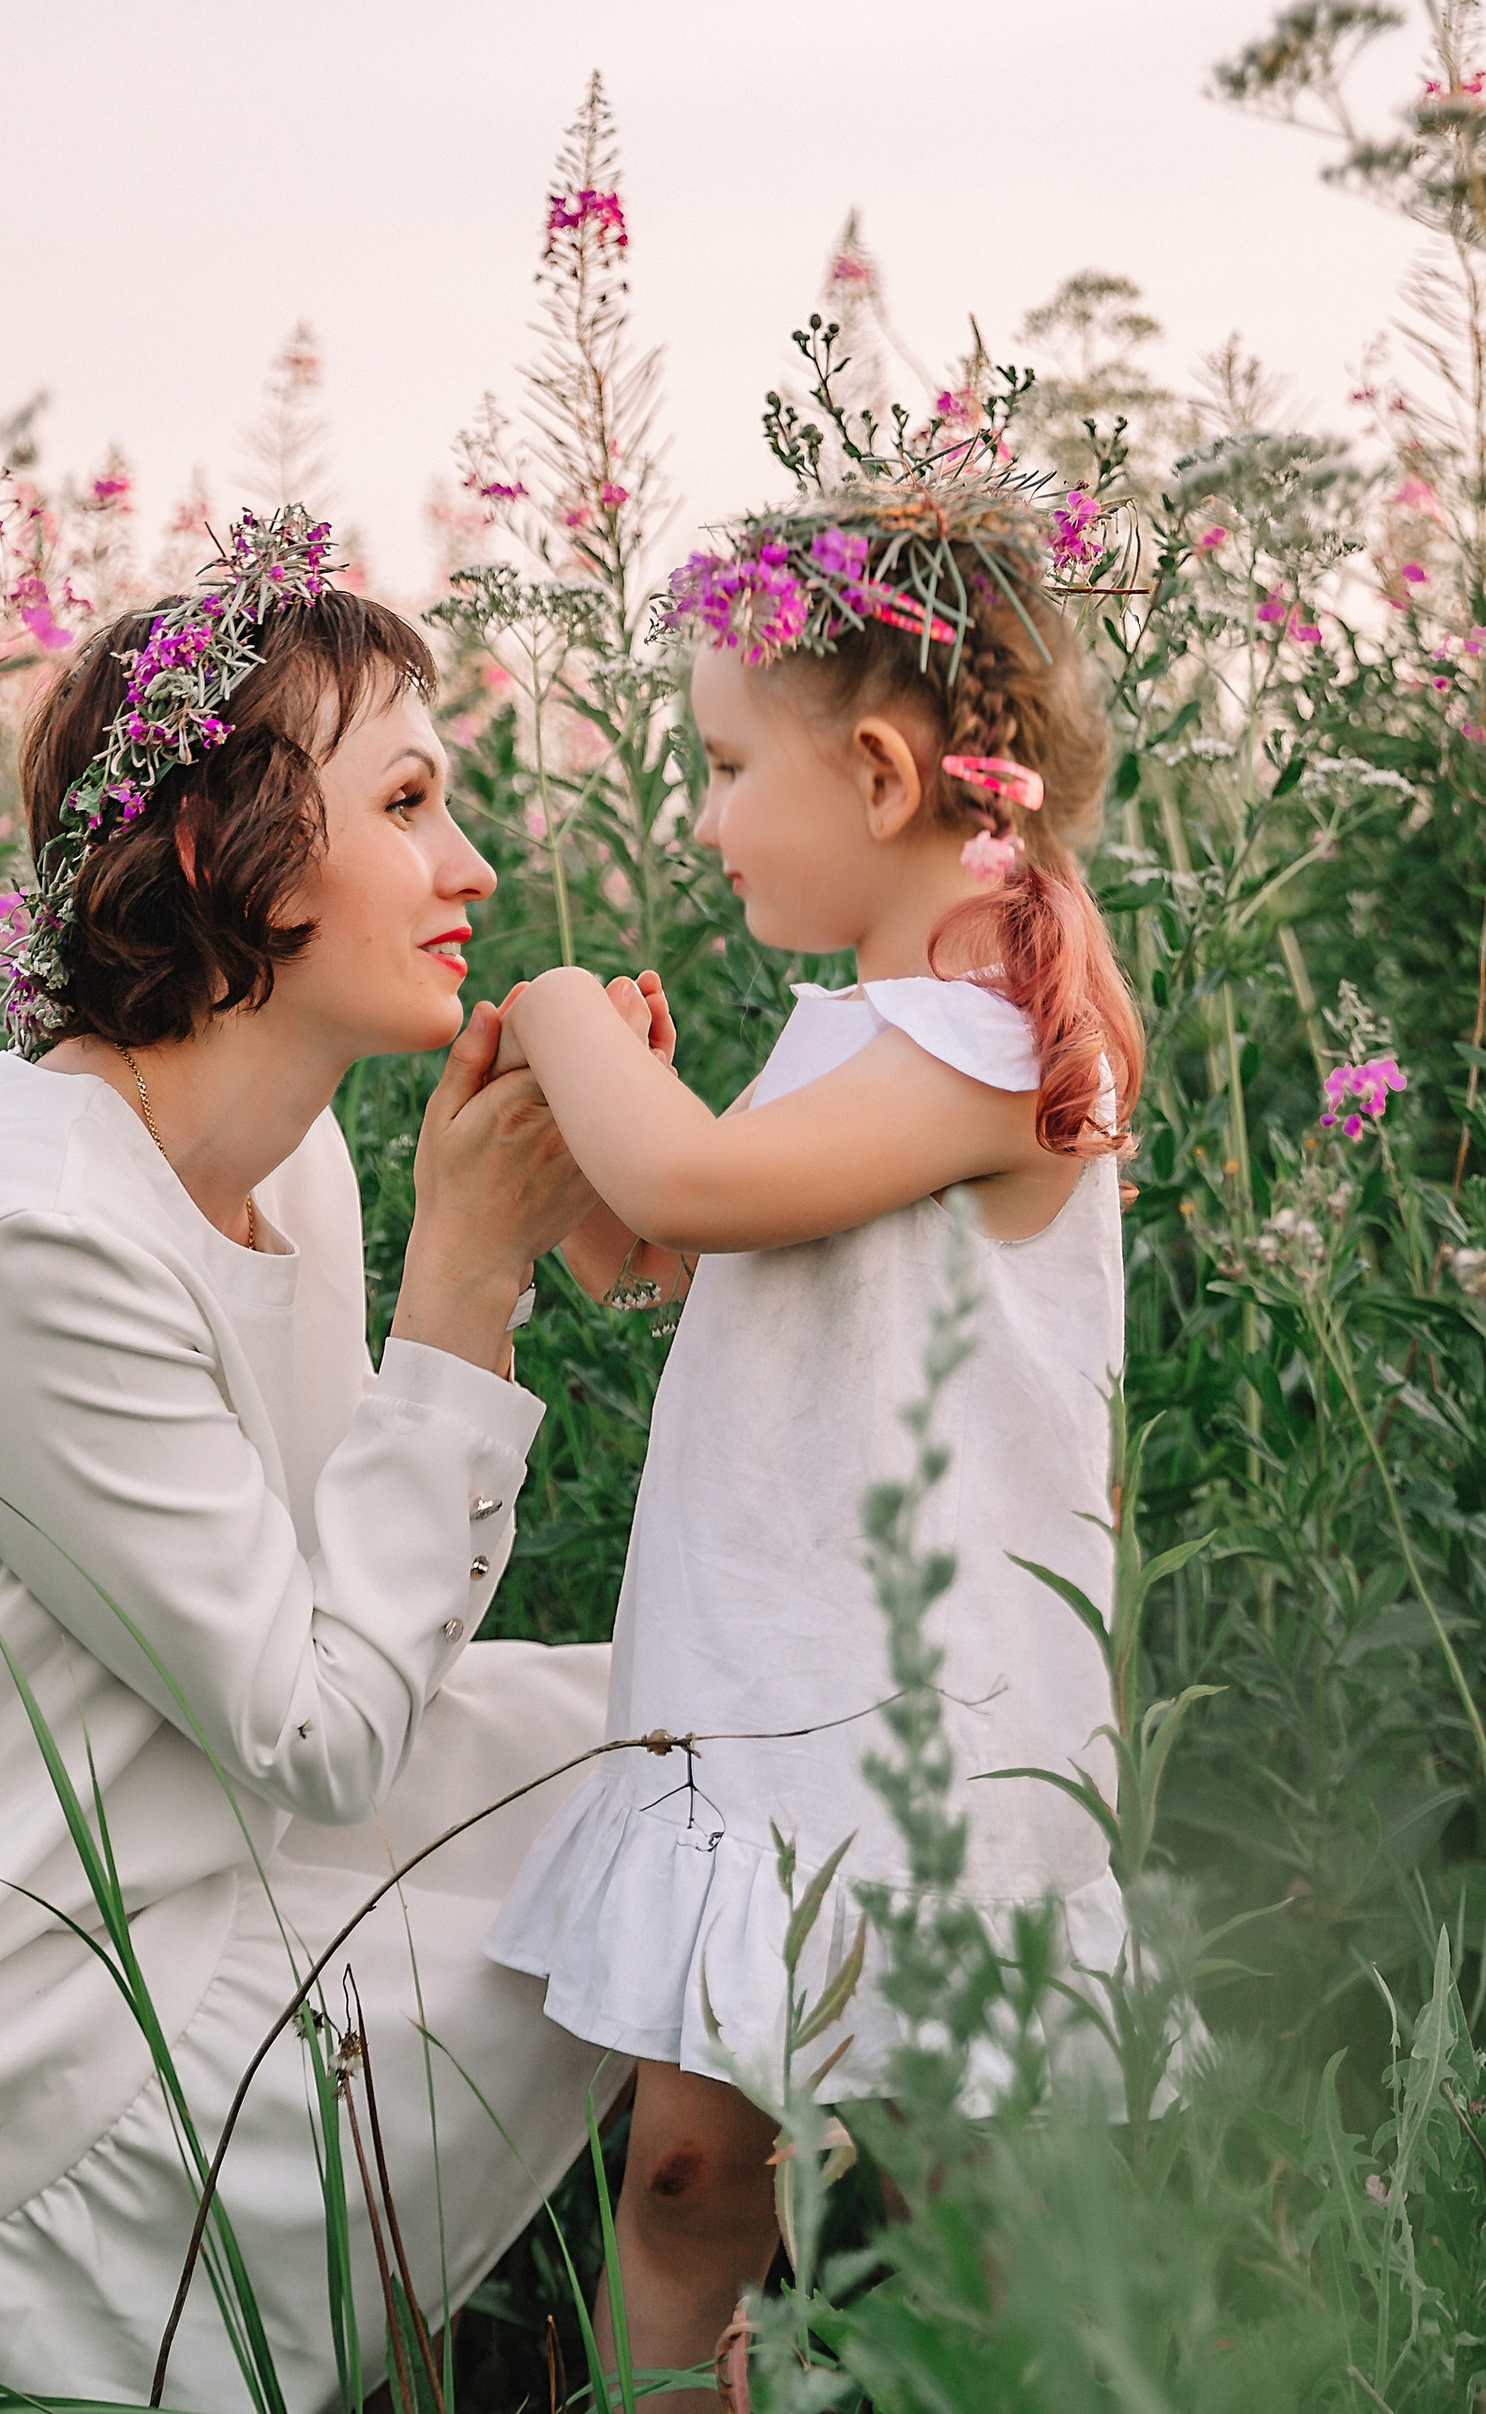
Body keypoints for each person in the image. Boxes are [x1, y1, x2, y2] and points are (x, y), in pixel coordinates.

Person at [0, 510, 625, 2414]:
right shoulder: (43, 1227)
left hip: (159, 1829)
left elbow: (351, 1657)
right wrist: (469, 1283)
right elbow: (319, 1730)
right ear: (224, 855)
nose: (471, 864)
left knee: (704, 1744)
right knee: (639, 1873)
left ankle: (781, 2288)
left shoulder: (294, 1162)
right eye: (407, 800)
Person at [484, 474, 1144, 2396]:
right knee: (691, 2171)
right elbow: (696, 1249)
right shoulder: (859, 1026)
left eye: (716, 764)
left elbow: (697, 1179)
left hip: (925, 1732)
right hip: (760, 1687)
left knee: (959, 2190)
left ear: (875, 777)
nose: (696, 814)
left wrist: (555, 1013)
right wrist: (612, 1167)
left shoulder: (992, 1044)